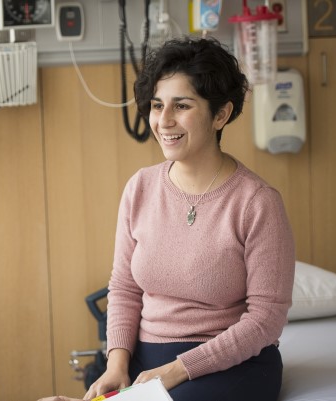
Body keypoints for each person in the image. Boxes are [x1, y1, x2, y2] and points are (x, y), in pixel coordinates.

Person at [84, 37, 295, 401]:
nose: (163, 121)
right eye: (156, 105)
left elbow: (265, 320)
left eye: (181, 105)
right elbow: (124, 287)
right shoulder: (141, 187)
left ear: (220, 114)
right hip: (146, 357)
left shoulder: (258, 202)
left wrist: (177, 370)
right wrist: (116, 363)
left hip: (232, 361)